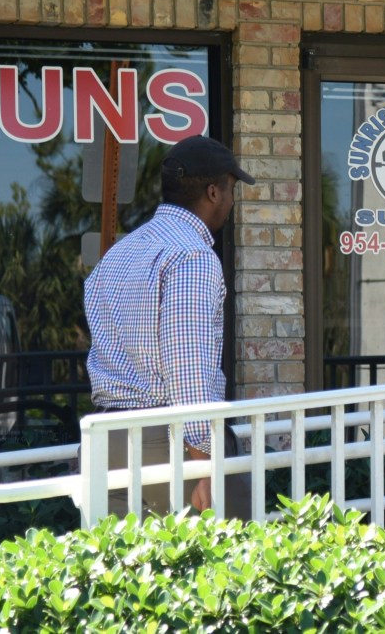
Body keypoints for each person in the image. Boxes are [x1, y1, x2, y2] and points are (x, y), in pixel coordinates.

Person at [84, 134, 254, 517]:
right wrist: (203, 463)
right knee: (233, 564)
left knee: (132, 572)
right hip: (169, 443)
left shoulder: (120, 254)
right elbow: (187, 367)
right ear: (212, 192)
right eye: (230, 191)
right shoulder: (191, 256)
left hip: (108, 442)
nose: (230, 202)